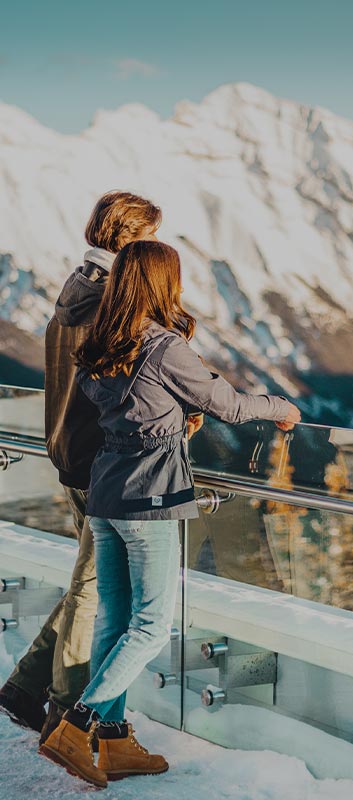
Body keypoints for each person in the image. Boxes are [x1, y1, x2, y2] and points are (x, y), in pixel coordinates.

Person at [39, 240, 301, 788]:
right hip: (149, 497)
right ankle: (77, 724)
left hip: (106, 492)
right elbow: (226, 403)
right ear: (163, 284)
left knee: (115, 619)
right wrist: (280, 409)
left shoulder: (101, 341)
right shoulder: (161, 345)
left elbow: (127, 407)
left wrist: (169, 418)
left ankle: (112, 743)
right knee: (154, 623)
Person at [0, 191, 170, 745]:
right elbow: (136, 380)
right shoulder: (110, 302)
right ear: (128, 237)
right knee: (94, 592)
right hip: (106, 463)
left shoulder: (74, 288)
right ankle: (65, 711)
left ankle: (25, 689)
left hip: (70, 454)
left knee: (89, 585)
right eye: (147, 236)